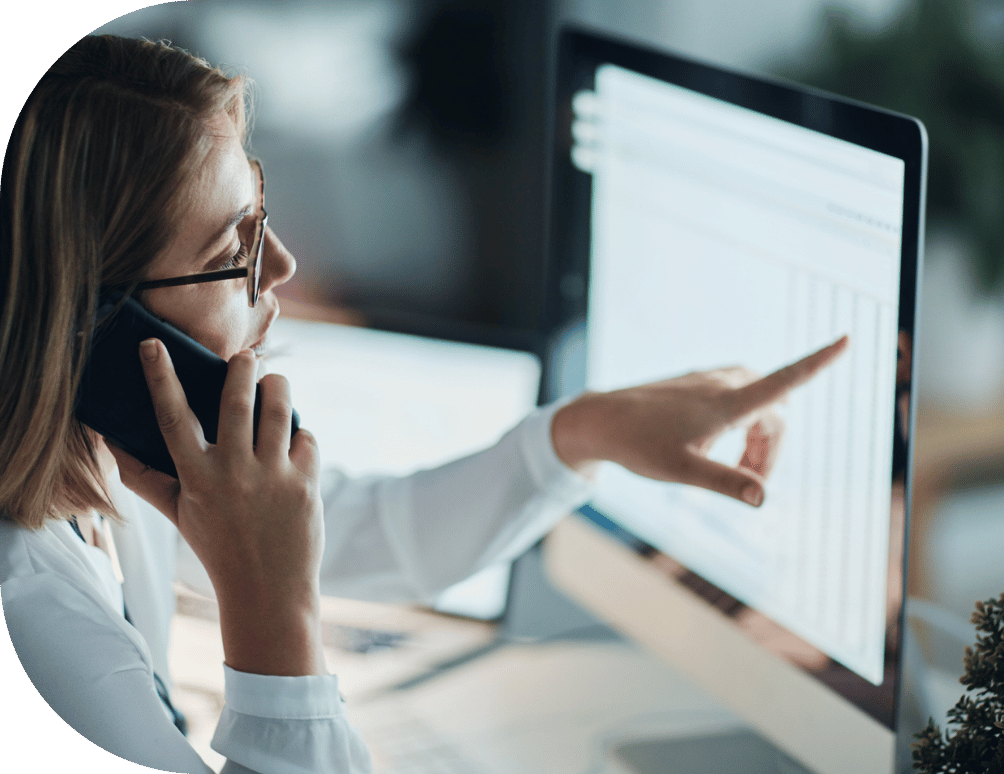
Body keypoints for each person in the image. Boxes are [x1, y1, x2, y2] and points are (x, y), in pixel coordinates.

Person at [0, 34, 847, 773]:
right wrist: (274, 621)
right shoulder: (39, 635)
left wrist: (586, 432)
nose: (285, 265)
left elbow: (370, 528)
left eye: (264, 215)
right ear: (96, 321)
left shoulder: (115, 457)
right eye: (238, 246)